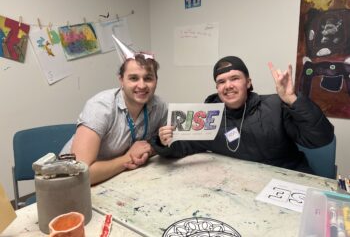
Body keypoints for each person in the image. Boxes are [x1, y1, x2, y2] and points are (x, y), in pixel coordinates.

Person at [154, 56, 334, 173]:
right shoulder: (209, 116)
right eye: (221, 81)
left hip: (288, 181)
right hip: (243, 185)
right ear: (217, 88)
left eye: (235, 78)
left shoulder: (276, 106)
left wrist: (292, 99)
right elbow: (185, 146)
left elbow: (321, 138)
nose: (228, 85)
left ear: (248, 83)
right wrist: (164, 141)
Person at [61, 53, 167, 185]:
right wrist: (128, 158)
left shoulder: (159, 106)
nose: (142, 85)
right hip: (68, 183)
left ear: (156, 80)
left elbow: (161, 143)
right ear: (121, 80)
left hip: (117, 178)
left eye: (148, 78)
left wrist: (149, 150)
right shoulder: (100, 107)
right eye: (133, 78)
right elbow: (80, 174)